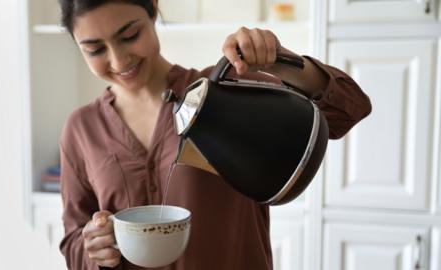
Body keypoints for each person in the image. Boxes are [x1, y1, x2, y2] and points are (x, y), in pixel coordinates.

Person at [57, 0, 372, 269]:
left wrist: (280, 62)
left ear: (153, 9)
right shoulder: (81, 129)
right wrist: (92, 246)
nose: (118, 60)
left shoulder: (226, 90)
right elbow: (74, 242)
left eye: (130, 35)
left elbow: (349, 110)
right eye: (95, 49)